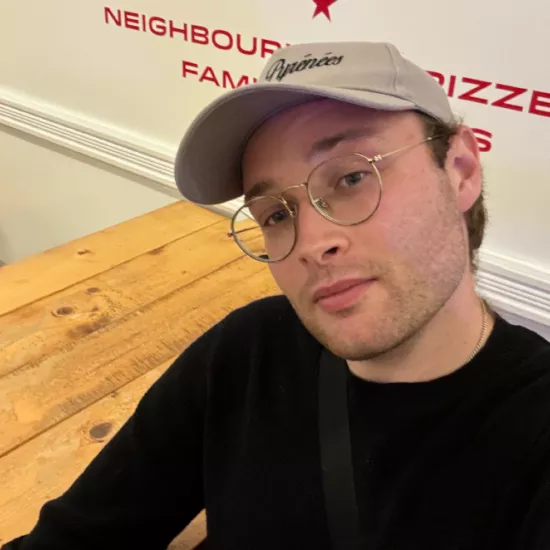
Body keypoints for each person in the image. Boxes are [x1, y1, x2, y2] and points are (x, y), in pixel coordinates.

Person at [4, 41, 550, 550]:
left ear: (459, 170)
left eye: (352, 178)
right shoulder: (248, 354)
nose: (311, 243)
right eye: (277, 214)